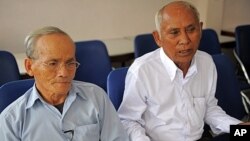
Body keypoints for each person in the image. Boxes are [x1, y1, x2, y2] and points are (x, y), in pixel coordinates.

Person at [118, 1, 250, 141]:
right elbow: (128, 121)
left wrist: (240, 128)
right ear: (158, 38)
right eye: (174, 32)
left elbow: (209, 109)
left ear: (200, 29)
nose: (185, 40)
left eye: (191, 29)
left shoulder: (206, 62)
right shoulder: (142, 71)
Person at [0, 26, 129, 141]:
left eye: (70, 63)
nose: (64, 73)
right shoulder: (11, 121)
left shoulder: (96, 97)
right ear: (29, 67)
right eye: (52, 63)